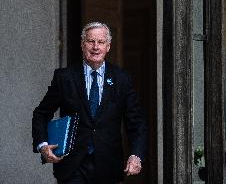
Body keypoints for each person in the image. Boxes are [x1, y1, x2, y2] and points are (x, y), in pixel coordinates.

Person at [32, 21, 147, 184]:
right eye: (91, 41)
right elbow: (41, 114)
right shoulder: (65, 77)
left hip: (109, 166)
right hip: (72, 166)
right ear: (82, 45)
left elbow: (136, 122)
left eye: (101, 42)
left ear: (108, 46)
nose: (95, 47)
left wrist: (136, 154)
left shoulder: (122, 79)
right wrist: (43, 145)